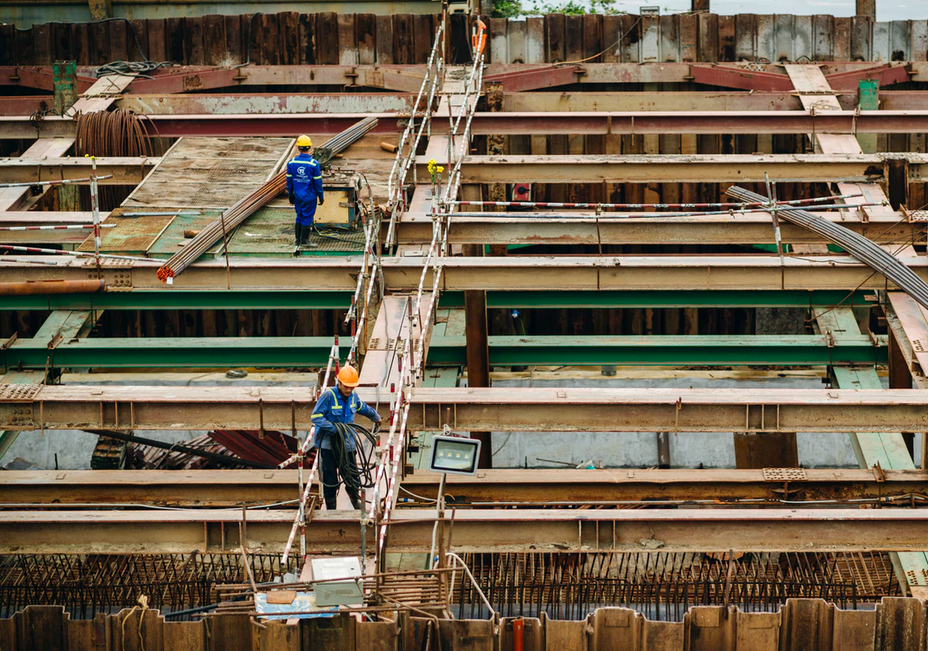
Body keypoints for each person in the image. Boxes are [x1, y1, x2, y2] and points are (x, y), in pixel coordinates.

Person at [310, 365, 381, 510]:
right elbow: (316, 417)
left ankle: (355, 501)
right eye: (346, 386)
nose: (349, 390)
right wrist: (334, 428)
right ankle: (331, 509)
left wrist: (375, 417)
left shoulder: (353, 396)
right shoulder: (328, 396)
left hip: (348, 444)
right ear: (339, 382)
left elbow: (362, 407)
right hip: (328, 445)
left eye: (352, 387)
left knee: (352, 475)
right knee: (330, 479)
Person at [286, 135, 325, 249]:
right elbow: (318, 183)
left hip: (297, 195)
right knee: (307, 217)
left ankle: (297, 239)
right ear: (310, 147)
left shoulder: (291, 162)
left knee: (299, 216)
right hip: (309, 196)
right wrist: (321, 195)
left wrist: (290, 194)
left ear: (298, 148)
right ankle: (304, 241)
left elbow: (289, 180)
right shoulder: (314, 164)